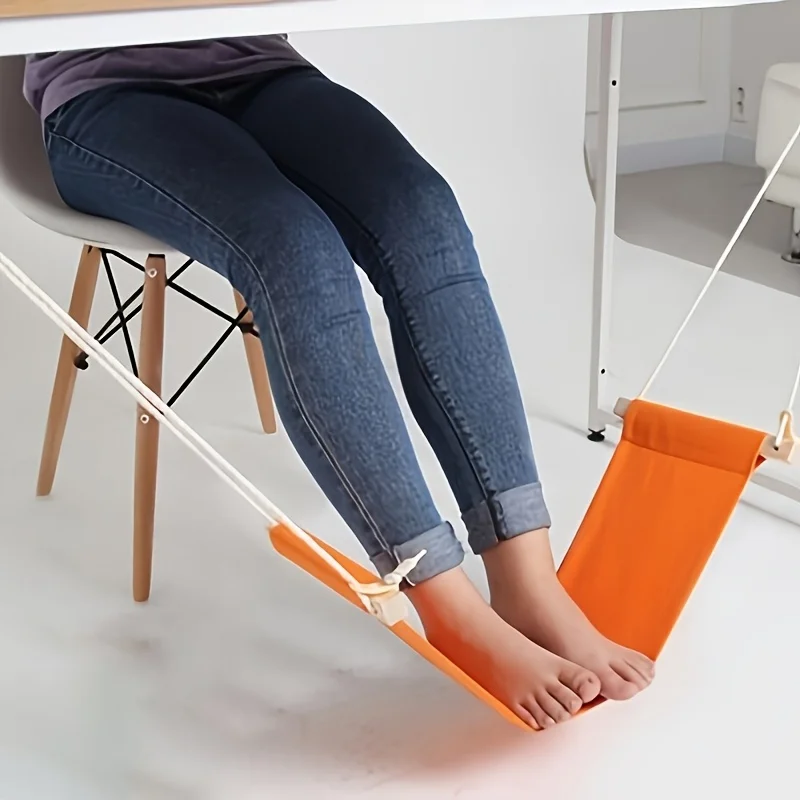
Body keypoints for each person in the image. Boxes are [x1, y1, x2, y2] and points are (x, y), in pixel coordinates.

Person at [25, 36, 654, 729]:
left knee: (421, 212)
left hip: (256, 65)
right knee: (294, 245)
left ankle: (526, 579)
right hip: (106, 91)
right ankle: (446, 606)